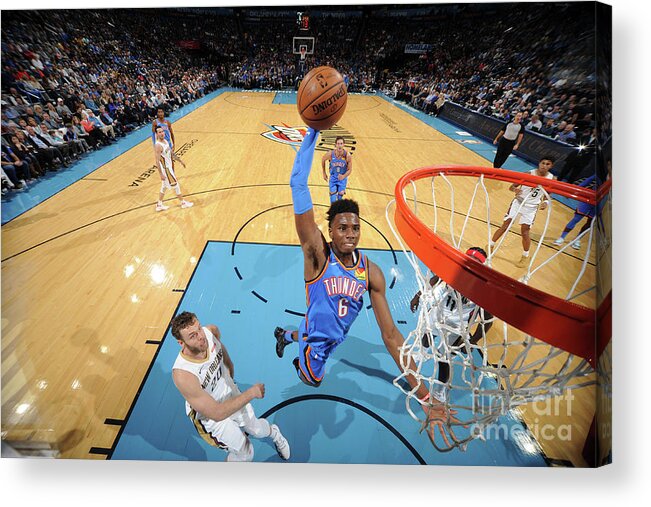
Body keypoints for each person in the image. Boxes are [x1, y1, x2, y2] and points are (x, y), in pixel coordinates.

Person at [274, 127, 456, 444]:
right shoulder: (317, 254)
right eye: (342, 227)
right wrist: (313, 131)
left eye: (355, 227)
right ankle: (295, 349)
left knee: (318, 329)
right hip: (318, 344)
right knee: (312, 375)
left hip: (330, 331)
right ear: (329, 231)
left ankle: (285, 334)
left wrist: (427, 397)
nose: (350, 233)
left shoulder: (371, 273)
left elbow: (391, 336)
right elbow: (297, 184)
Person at [171, 311, 290, 462]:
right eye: (192, 336)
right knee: (246, 453)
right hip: (210, 416)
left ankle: (275, 434)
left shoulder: (210, 332)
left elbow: (223, 354)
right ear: (181, 343)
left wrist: (230, 372)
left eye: (199, 328)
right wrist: (251, 393)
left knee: (257, 430)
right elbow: (217, 413)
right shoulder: (183, 375)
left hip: (229, 393)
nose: (200, 336)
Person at [409, 247, 494, 401]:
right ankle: (421, 354)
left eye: (474, 263)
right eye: (468, 260)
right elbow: (435, 279)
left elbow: (488, 320)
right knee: (426, 335)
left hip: (457, 324)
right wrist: (417, 295)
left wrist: (473, 340)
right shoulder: (453, 271)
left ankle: (441, 390)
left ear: (481, 267)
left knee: (443, 357)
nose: (469, 264)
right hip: (440, 311)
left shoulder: (483, 289)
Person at [488, 156, 556, 267]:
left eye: (547, 164)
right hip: (518, 203)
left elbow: (549, 193)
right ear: (539, 163)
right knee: (505, 225)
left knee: (525, 232)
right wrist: (516, 189)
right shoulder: (529, 173)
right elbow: (511, 187)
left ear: (551, 166)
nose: (544, 166)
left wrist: (546, 202)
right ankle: (491, 244)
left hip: (531, 207)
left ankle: (525, 256)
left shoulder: (552, 179)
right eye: (543, 163)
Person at [553, 174, 600, 251]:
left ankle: (577, 239)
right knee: (576, 219)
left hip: (600, 202)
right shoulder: (600, 173)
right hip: (589, 197)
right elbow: (587, 181)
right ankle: (562, 237)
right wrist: (575, 191)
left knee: (590, 223)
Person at [153, 125, 193, 211]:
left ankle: (159, 204)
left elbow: (171, 153)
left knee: (164, 186)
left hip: (169, 167)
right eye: (159, 132)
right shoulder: (158, 145)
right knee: (176, 185)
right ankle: (183, 202)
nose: (162, 133)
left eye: (162, 131)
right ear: (156, 134)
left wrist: (180, 161)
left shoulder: (166, 141)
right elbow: (157, 161)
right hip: (166, 169)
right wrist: (160, 174)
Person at [321, 136, 352, 202]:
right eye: (338, 144)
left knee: (340, 197)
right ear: (335, 145)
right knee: (333, 199)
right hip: (333, 177)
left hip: (342, 179)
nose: (339, 146)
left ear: (344, 145)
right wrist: (324, 173)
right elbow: (323, 160)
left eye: (341, 143)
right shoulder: (330, 154)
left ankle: (341, 194)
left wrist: (343, 176)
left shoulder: (347, 155)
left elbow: (349, 170)